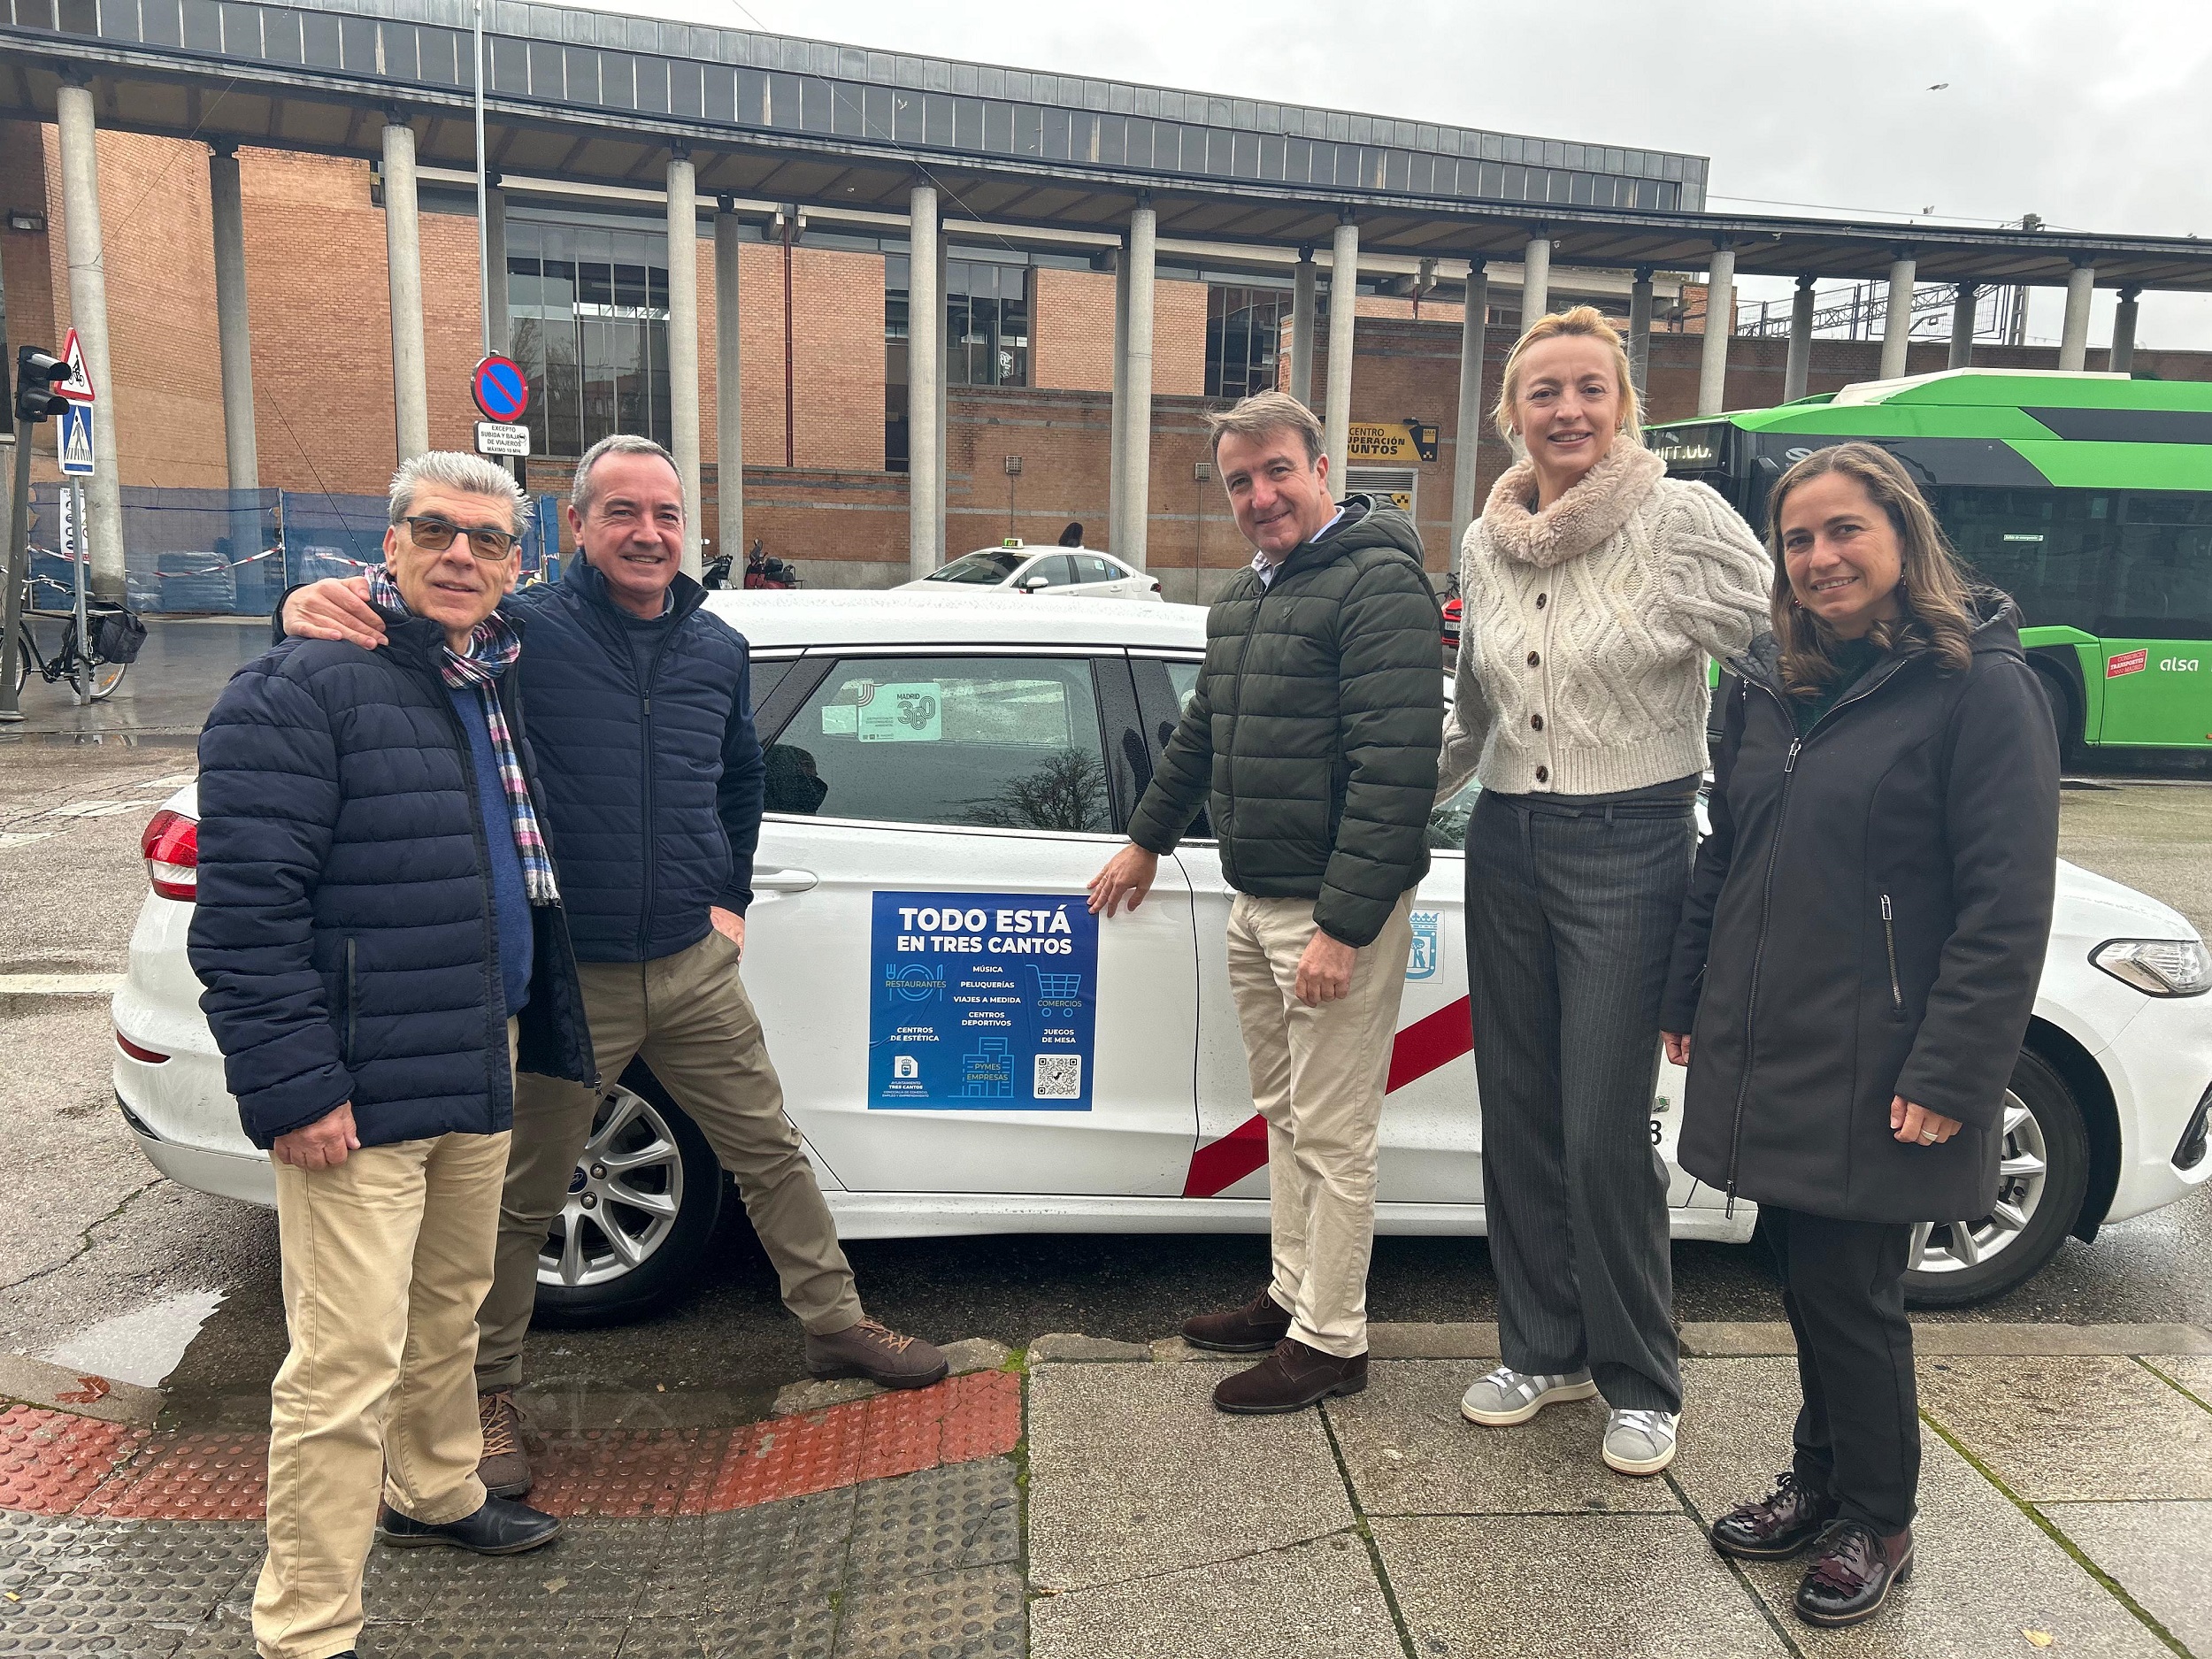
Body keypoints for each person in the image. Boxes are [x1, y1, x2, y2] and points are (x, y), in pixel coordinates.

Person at [279, 434, 946, 1502]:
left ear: (689, 530)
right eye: (623, 513)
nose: (648, 534)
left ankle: (834, 1325)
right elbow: (418, 609)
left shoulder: (716, 649)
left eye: (667, 515)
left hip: (690, 961)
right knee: (521, 1198)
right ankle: (486, 1396)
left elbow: (739, 781)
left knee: (768, 1150)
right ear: (577, 528)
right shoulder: (520, 632)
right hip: (567, 978)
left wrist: (726, 899)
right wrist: (319, 598)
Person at [193, 453, 595, 1659]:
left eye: (487, 537)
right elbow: (245, 912)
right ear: (392, 541)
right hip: (358, 1089)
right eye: (436, 530)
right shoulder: (302, 685)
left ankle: (436, 1488)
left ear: (519, 562)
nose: (461, 554)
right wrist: (295, 1088)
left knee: (449, 1310)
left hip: (478, 1053)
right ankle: (306, 1624)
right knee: (342, 1360)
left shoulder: (492, 673)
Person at [1661, 442, 2058, 1626]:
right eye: (1798, 538)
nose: (1821, 557)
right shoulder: (1773, 677)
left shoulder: (1978, 687)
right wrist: (1687, 993)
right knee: (1807, 1271)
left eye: (1845, 530)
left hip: (1885, 1053)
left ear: (1903, 533)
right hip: (1778, 1036)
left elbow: (2006, 905)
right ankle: (1820, 1479)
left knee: (1853, 1292)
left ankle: (1876, 1515)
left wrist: (1952, 1069)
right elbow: (1725, 851)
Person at [1440, 306, 1769, 1477]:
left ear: (1621, 401)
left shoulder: (1677, 517)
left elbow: (1780, 648)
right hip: (1508, 839)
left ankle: (1640, 1372)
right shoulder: (1486, 541)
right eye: (1545, 393)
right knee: (1519, 1113)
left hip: (1632, 842)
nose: (1568, 410)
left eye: (1589, 388)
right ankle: (1541, 1346)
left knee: (1602, 1131)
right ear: (1513, 415)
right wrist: (1377, 801)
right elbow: (1476, 715)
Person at [1088, 390, 1441, 1415]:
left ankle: (1332, 1340)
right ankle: (1292, 1295)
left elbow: (1393, 771)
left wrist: (1343, 922)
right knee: (1285, 1117)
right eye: (1240, 481)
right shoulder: (1246, 598)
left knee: (1333, 1133)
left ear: (1320, 469)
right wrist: (1147, 840)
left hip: (1327, 912)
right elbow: (1202, 733)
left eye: (1277, 471)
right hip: (1257, 900)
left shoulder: (1376, 585)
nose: (1259, 495)